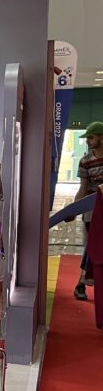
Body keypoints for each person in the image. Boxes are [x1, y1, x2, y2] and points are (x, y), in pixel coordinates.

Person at [74, 121, 103, 301]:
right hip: (93, 212)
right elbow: (83, 189)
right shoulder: (85, 161)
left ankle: (82, 284)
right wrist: (73, 210)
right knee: (93, 248)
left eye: (91, 137)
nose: (87, 141)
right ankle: (81, 284)